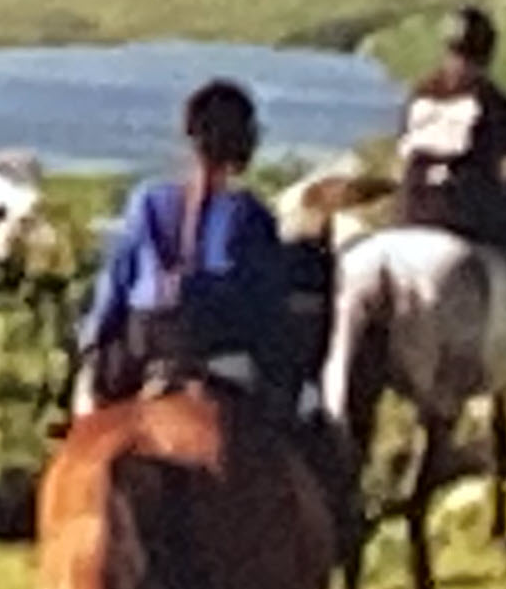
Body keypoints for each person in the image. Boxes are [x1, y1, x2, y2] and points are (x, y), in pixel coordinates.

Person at [76, 80, 357, 525]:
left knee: (86, 419)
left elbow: (116, 286)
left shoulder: (147, 200)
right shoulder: (248, 212)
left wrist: (92, 350)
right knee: (307, 409)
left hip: (141, 345)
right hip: (216, 348)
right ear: (244, 142)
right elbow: (266, 307)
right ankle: (337, 516)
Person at [396, 5, 506, 334]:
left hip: (412, 207)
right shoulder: (490, 98)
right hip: (467, 211)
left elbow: (404, 150)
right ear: (487, 52)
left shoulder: (421, 90)